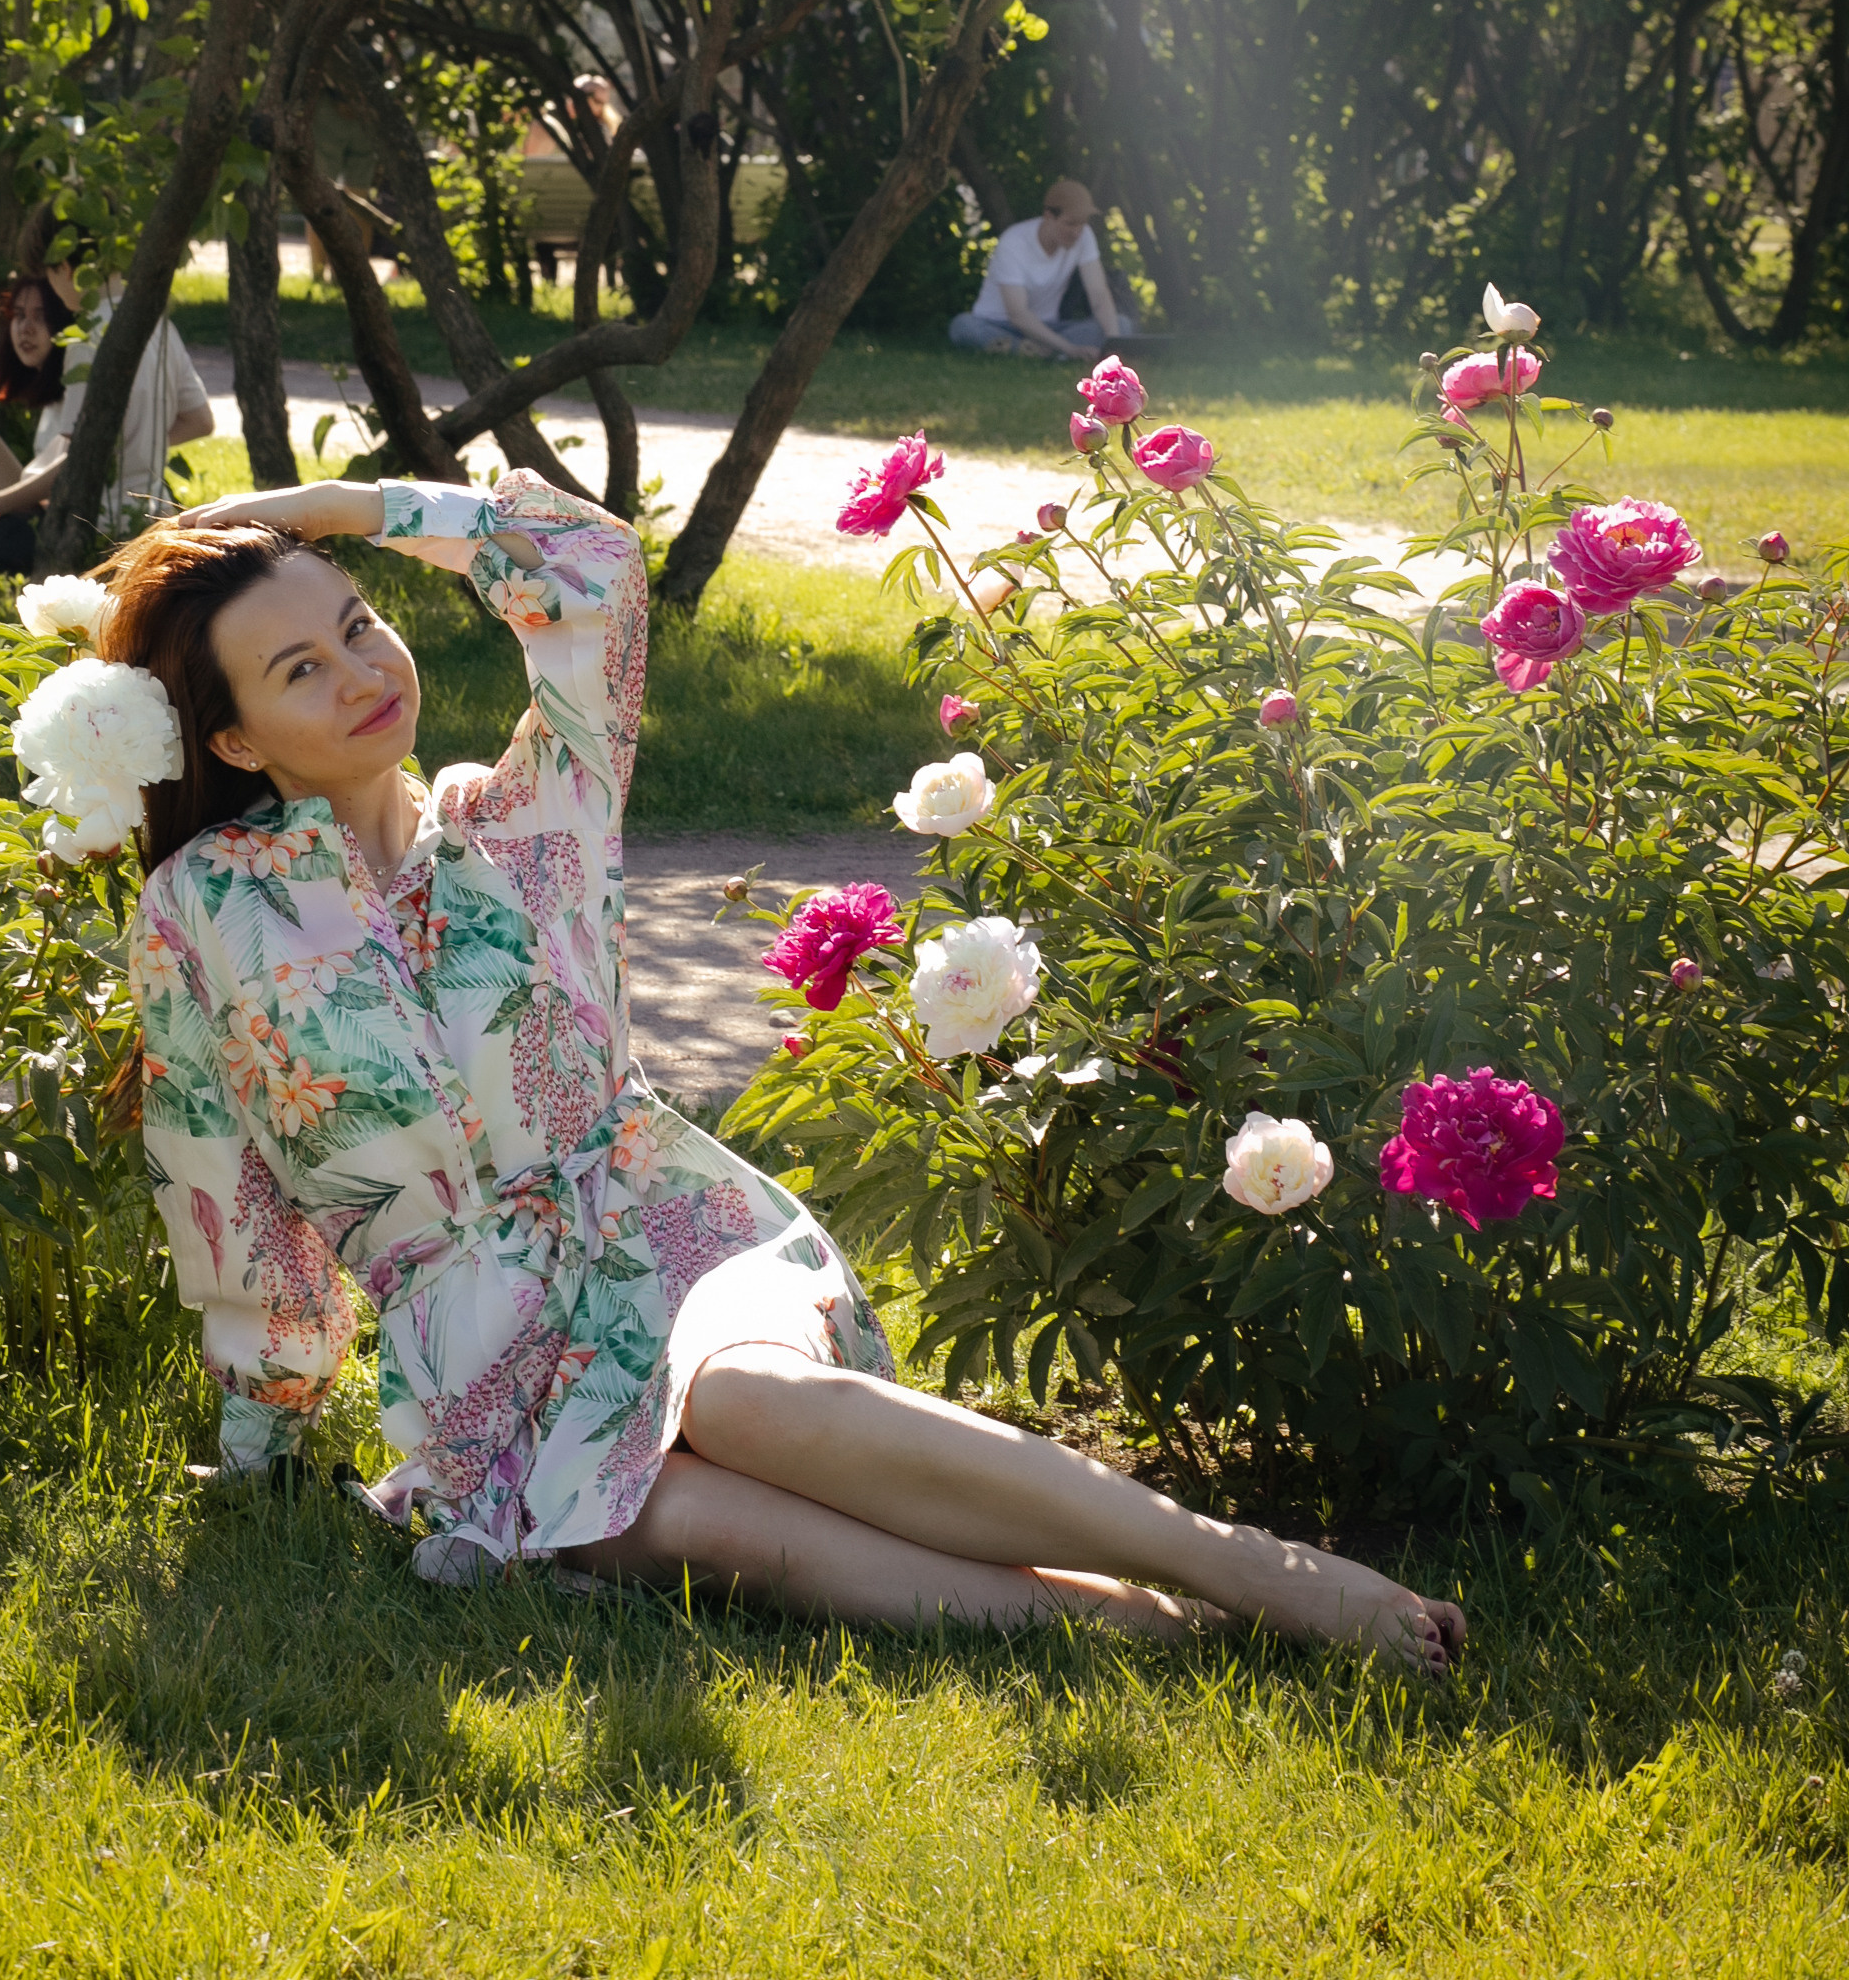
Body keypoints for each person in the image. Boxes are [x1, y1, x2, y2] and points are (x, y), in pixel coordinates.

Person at [104, 469, 1464, 1667]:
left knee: (742, 1401)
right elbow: (222, 1184)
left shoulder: (529, 811)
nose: (361, 675)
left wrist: (331, 512)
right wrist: (264, 1437)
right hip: (494, 1358)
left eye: (356, 624)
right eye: (299, 673)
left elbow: (590, 572)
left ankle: (1242, 1566)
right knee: (681, 1526)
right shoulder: (205, 917)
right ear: (231, 741)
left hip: (673, 1235)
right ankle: (1120, 1623)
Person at [0, 250, 212, 569]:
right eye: (18, 315)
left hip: (84, 524)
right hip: (64, 509)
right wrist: (135, 441)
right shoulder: (67, 373)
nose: (25, 329)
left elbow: (76, 460)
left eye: (41, 315)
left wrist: (0, 502)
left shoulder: (85, 359)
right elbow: (199, 420)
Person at [949, 179, 1128, 359]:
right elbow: (1017, 314)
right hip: (1001, 324)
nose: (1077, 232)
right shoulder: (1013, 242)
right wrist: (1069, 348)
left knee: (1121, 324)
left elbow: (1099, 294)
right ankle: (1044, 352)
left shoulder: (1084, 236)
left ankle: (1033, 351)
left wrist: (1113, 343)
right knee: (963, 326)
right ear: (1049, 216)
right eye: (1070, 223)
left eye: (1082, 223)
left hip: (1050, 327)